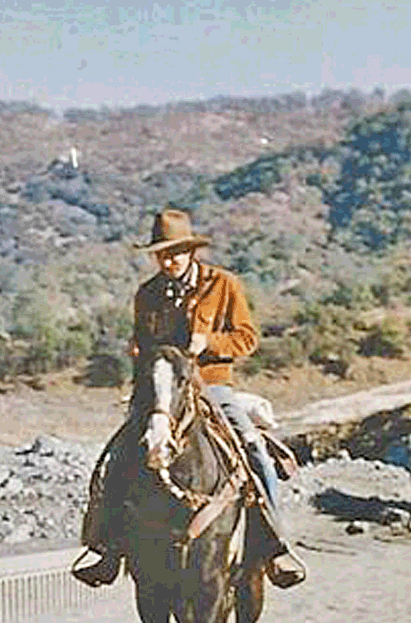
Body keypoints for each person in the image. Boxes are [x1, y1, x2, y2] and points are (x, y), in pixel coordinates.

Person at [73, 209, 307, 589]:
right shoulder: (147, 295)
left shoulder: (223, 284)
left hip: (211, 385)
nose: (168, 262)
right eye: (161, 255)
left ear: (190, 250)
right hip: (161, 390)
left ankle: (273, 544)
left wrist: (209, 342)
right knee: (118, 455)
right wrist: (138, 354)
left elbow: (247, 338)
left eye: (174, 253)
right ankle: (107, 546)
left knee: (254, 449)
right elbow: (143, 345)